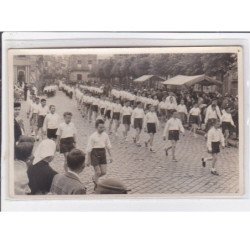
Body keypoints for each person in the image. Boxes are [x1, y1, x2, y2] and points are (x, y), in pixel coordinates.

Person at [86, 119, 112, 187]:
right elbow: (89, 149)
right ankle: (96, 186)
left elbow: (108, 146)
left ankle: (94, 178)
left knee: (103, 172)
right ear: (96, 127)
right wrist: (88, 160)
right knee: (98, 172)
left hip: (102, 153)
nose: (102, 129)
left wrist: (110, 156)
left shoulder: (105, 135)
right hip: (94, 153)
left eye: (103, 127)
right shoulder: (92, 136)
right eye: (100, 127)